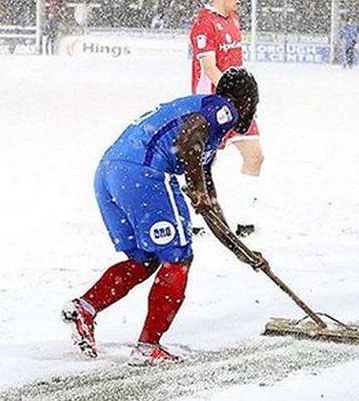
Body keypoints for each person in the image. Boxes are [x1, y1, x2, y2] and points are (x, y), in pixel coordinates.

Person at [62, 68, 267, 365]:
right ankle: (148, 347)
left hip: (110, 173)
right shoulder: (223, 108)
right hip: (143, 173)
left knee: (145, 259)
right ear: (247, 102)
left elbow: (209, 205)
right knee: (178, 258)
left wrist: (242, 252)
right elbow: (189, 140)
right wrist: (195, 186)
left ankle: (85, 309)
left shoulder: (204, 135)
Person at [189, 0, 263, 237]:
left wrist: (242, 98)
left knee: (255, 157)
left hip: (237, 103)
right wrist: (230, 96)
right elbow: (209, 68)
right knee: (203, 164)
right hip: (211, 104)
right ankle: (197, 221)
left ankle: (245, 222)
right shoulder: (204, 23)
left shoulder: (233, 20)